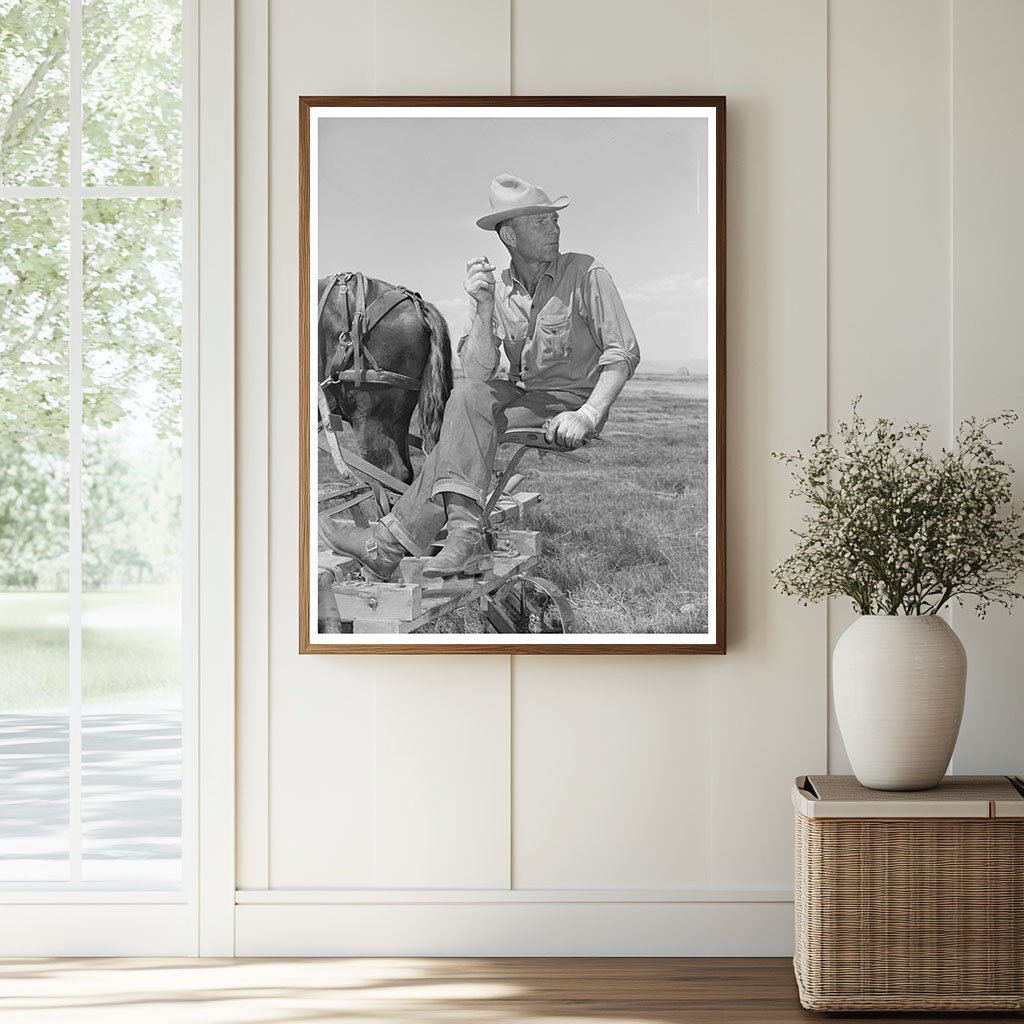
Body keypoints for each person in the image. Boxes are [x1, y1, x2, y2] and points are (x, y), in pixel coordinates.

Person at [321, 173, 641, 581]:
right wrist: (485, 307)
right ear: (509, 235)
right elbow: (477, 370)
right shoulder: (498, 288)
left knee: (464, 431)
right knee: (469, 398)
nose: (554, 228)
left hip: (569, 402)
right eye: (541, 221)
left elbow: (623, 353)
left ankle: (393, 542)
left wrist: (589, 414)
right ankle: (455, 536)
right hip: (523, 394)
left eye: (553, 220)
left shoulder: (586, 272)